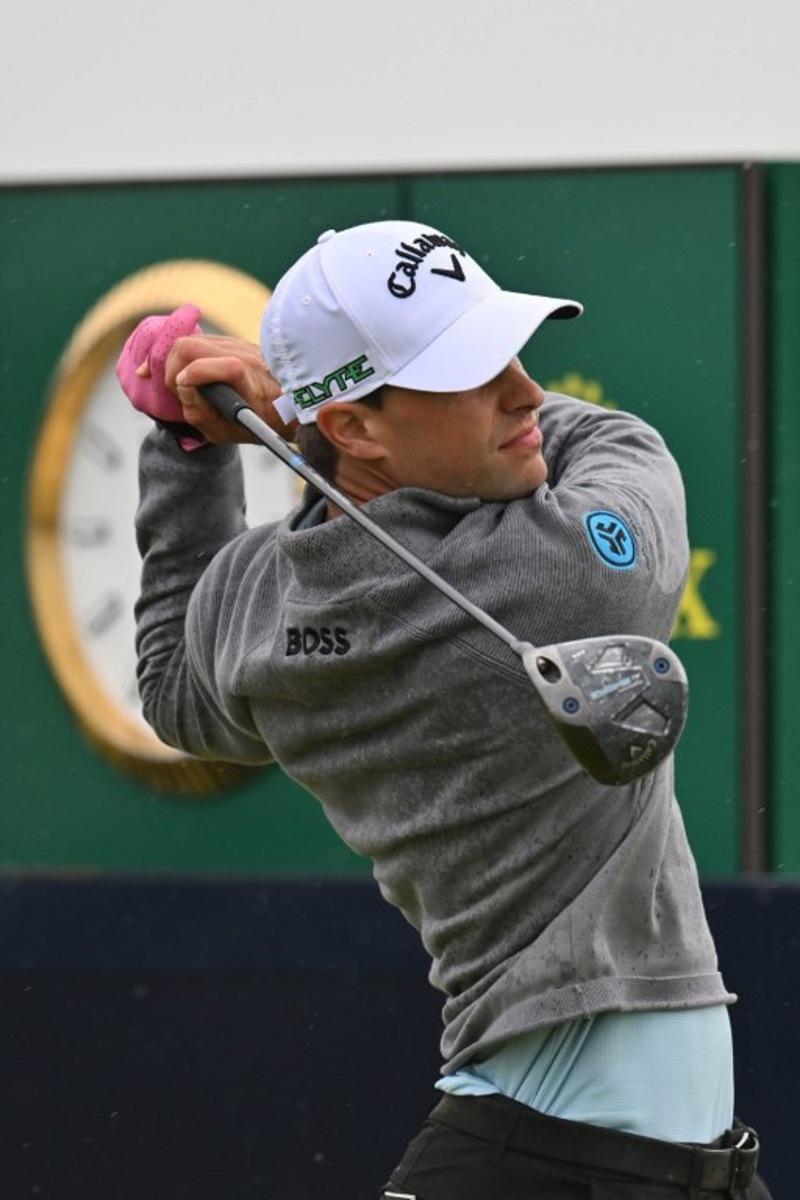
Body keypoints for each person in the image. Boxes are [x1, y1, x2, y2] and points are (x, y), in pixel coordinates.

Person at [119, 220, 771, 1198]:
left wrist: (188, 443)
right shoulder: (560, 574)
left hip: (569, 1158)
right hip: (549, 1163)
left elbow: (171, 684)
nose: (519, 391)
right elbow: (619, 441)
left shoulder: (259, 608)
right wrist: (289, 408)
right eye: (467, 370)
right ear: (355, 429)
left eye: (508, 353)